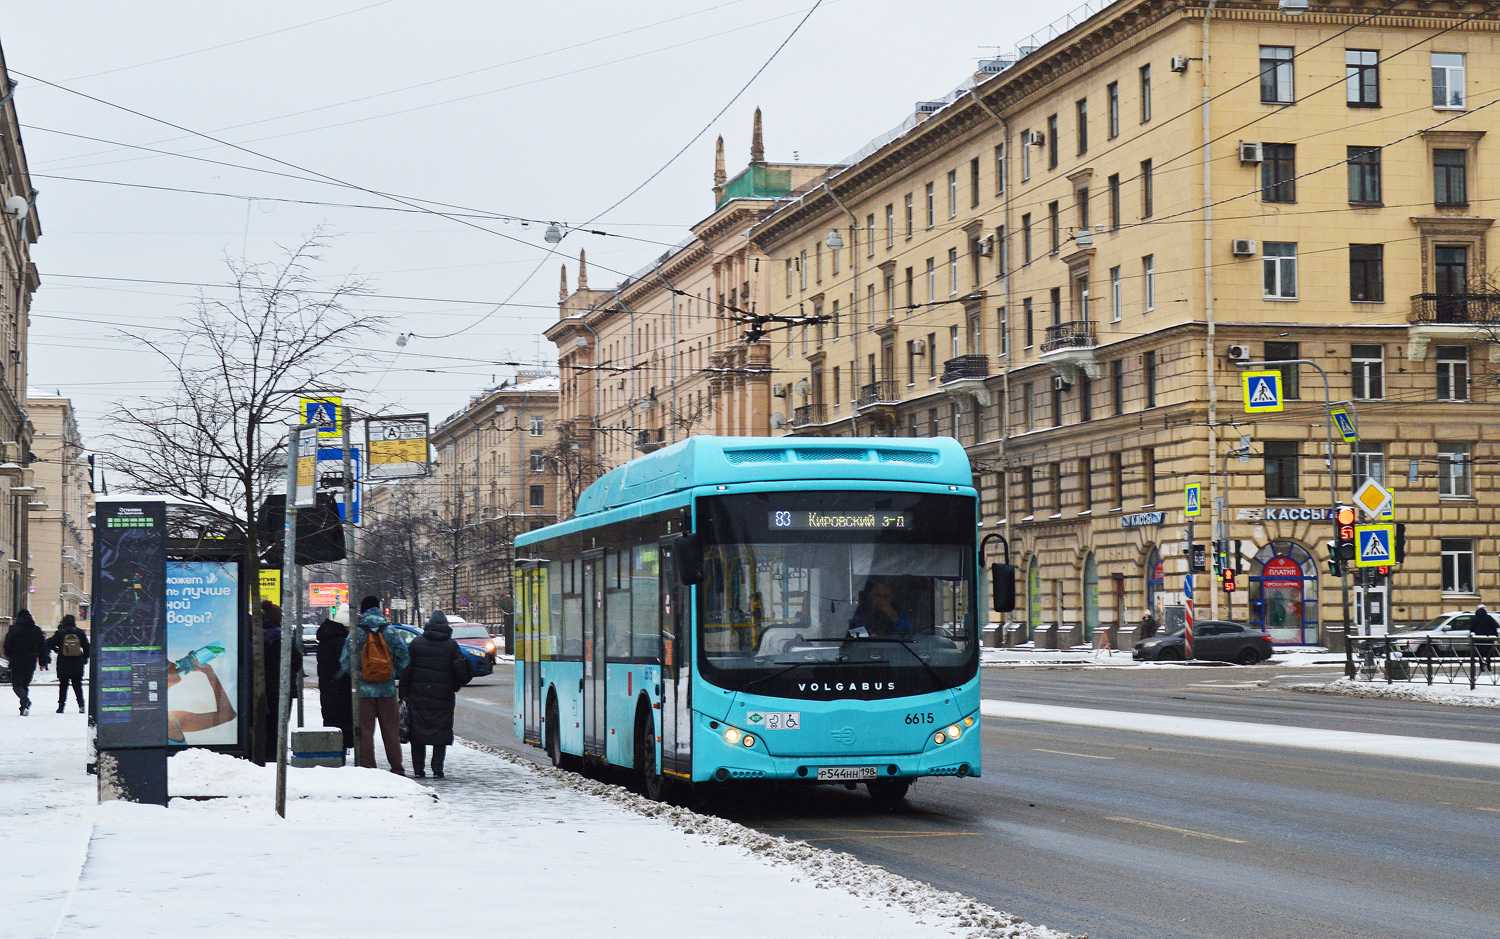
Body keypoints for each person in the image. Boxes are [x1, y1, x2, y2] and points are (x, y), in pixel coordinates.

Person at [341, 595, 410, 775]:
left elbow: (345, 661)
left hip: (364, 692)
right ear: (378, 608)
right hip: (387, 690)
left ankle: (368, 769)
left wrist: (359, 675)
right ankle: (397, 768)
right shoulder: (390, 631)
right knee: (391, 732)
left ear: (362, 610)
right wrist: (392, 673)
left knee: (365, 732)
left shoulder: (357, 632)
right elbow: (404, 656)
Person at [399, 609, 472, 779]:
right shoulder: (451, 645)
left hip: (418, 695)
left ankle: (418, 769)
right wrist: (453, 687)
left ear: (428, 624)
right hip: (443, 696)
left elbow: (406, 671)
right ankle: (437, 768)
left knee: (418, 732)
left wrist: (404, 693)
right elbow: (459, 671)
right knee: (441, 730)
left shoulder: (417, 643)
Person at [257, 601, 303, 763]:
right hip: (282, 687)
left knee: (263, 722)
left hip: (261, 688)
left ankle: (263, 752)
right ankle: (276, 753)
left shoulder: (257, 638)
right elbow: (297, 661)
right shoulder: (285, 639)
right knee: (280, 722)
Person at [316, 604, 354, 749]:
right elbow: (346, 668)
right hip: (341, 691)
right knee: (342, 728)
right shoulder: (341, 642)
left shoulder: (326, 639)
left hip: (329, 690)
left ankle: (337, 751)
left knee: (333, 726)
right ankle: (340, 755)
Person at [4, 609, 50, 716]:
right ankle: (24, 707)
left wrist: (9, 655)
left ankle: (24, 701)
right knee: (25, 685)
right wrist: (43, 662)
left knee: (17, 685)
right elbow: (42, 648)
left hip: (17, 660)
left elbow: (7, 645)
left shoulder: (14, 629)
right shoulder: (36, 630)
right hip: (31, 660)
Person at [46, 614, 90, 713]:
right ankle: (81, 704)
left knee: (63, 685)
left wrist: (57, 649)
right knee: (77, 685)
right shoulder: (79, 632)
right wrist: (85, 658)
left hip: (63, 661)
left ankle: (61, 706)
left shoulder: (61, 633)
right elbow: (86, 646)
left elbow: (49, 643)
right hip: (77, 662)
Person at [1471, 602, 1498, 672]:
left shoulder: (1474, 618)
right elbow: (1494, 627)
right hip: (1488, 638)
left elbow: (1472, 628)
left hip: (1478, 638)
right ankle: (1488, 666)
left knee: (1480, 653)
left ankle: (1481, 666)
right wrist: (1496, 636)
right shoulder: (1489, 618)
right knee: (1489, 653)